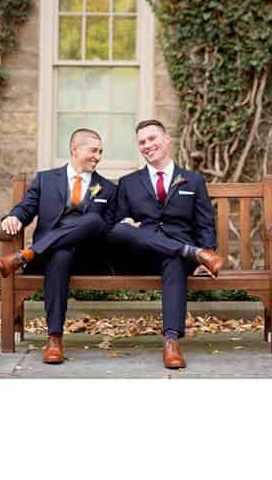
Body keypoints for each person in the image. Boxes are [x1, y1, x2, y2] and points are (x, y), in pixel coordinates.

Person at [106, 119, 225, 369]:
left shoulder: (192, 181)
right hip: (139, 255)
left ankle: (171, 340)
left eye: (152, 139)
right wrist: (126, 221)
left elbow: (205, 224)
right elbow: (117, 223)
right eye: (142, 142)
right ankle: (192, 252)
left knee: (173, 258)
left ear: (167, 139)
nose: (147, 145)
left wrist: (209, 252)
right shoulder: (128, 182)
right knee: (118, 230)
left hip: (173, 260)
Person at [0, 128, 117, 364]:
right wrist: (14, 217)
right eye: (93, 150)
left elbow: (108, 226)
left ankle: (26, 254)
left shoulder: (107, 188)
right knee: (60, 254)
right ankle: (54, 338)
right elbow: (26, 207)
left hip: (88, 258)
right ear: (74, 149)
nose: (98, 156)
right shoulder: (46, 179)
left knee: (94, 219)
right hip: (50, 258)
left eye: (100, 152)